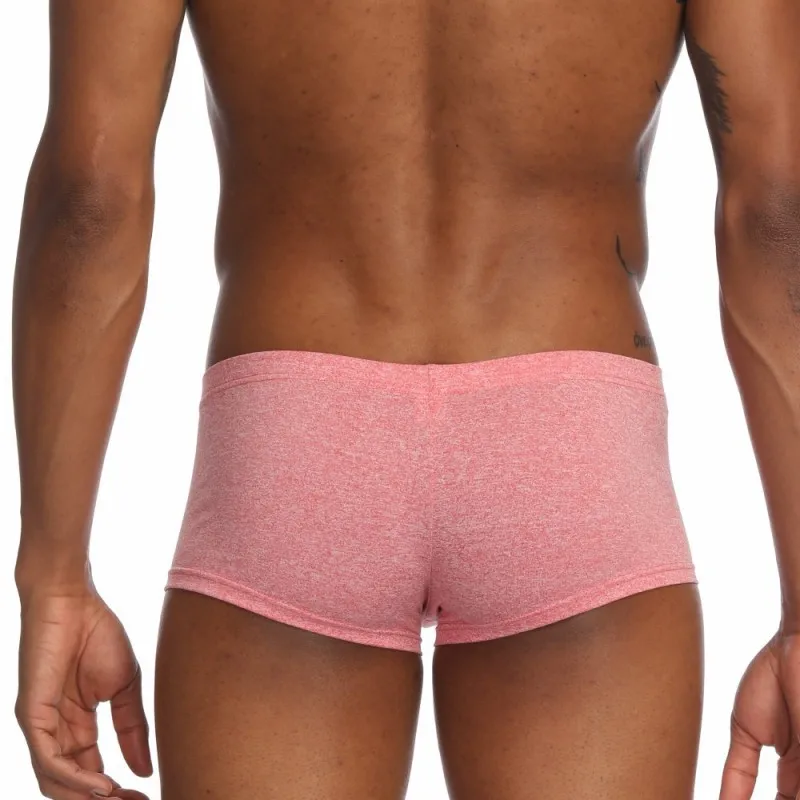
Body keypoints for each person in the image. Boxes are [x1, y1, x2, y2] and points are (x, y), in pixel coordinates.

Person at [11, 0, 800, 798]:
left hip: (294, 445)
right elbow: (773, 212)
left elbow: (90, 195)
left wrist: (54, 576)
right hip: (570, 440)